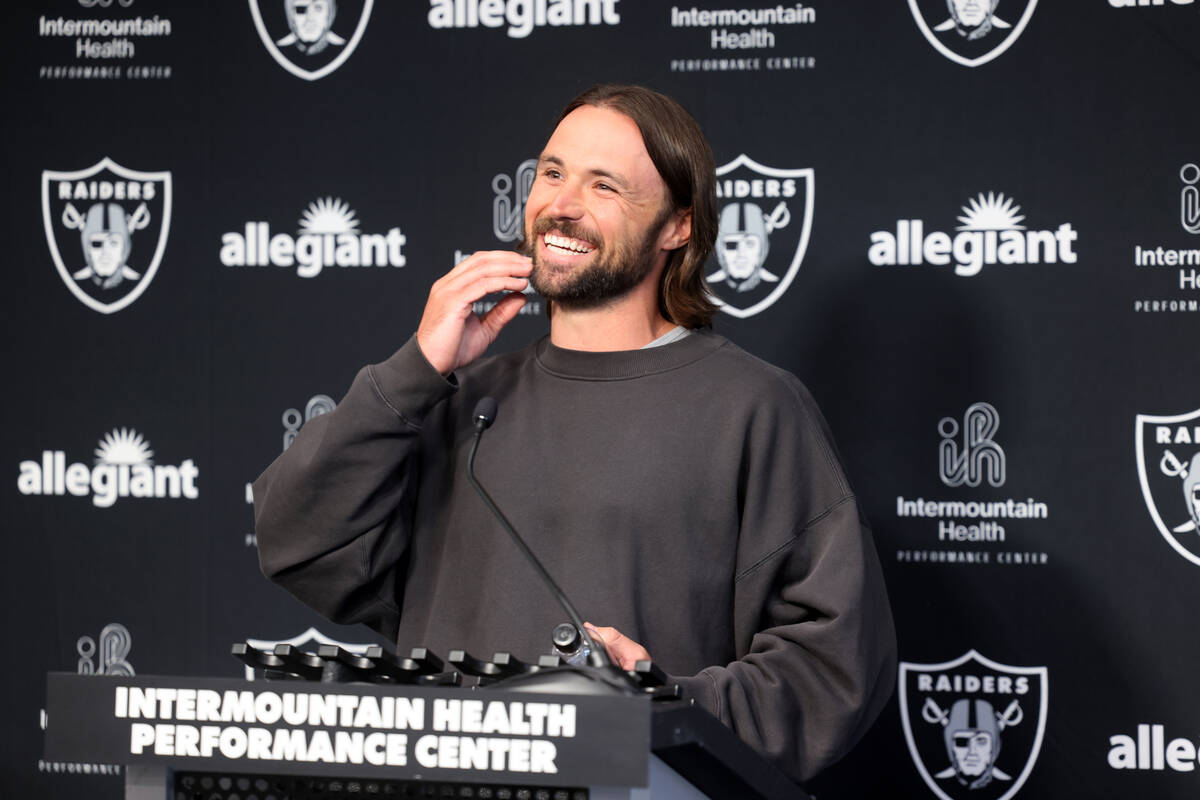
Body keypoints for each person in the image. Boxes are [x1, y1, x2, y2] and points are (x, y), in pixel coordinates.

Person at [253, 84, 896, 784]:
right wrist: (415, 370)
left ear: (678, 227)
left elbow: (832, 668)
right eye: (552, 173)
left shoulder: (755, 407)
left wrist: (664, 704)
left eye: (604, 186)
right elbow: (294, 540)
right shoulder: (453, 397)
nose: (562, 204)